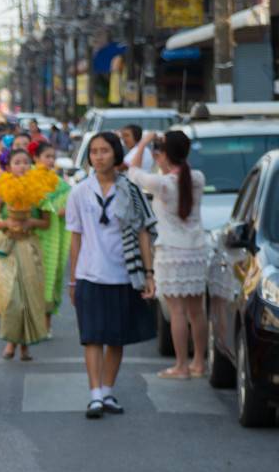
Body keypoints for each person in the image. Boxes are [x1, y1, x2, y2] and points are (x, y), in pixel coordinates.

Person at [66, 131, 158, 418]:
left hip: (123, 274)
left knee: (116, 338)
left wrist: (149, 273)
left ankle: (108, 391)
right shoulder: (80, 191)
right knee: (92, 336)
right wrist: (73, 278)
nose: (98, 156)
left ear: (116, 154)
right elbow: (76, 238)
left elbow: (144, 233)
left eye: (104, 151)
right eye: (94, 151)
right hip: (90, 275)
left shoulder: (130, 190)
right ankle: (94, 395)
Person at [127, 130, 209, 378]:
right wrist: (165, 152)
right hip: (196, 249)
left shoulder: (161, 183)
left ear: (163, 155)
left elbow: (132, 170)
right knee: (197, 311)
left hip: (171, 252)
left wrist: (143, 141)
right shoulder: (197, 177)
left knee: (177, 312)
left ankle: (181, 366)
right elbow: (180, 167)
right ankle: (199, 364)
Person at [0, 150, 53, 359]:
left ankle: (25, 346)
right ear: (8, 167)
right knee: (10, 297)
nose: (22, 166)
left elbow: (46, 222)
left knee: (29, 297)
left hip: (29, 246)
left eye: (26, 162)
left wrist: (30, 223)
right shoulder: (0, 190)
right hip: (7, 248)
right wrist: (7, 223)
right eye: (17, 162)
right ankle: (10, 342)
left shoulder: (39, 191)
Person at [33, 142, 72, 324]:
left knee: (52, 276)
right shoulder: (27, 181)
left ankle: (46, 321)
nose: (50, 160)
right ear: (36, 158)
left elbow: (68, 209)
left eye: (52, 157)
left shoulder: (61, 184)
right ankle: (31, 324)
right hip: (32, 235)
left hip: (54, 237)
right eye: (47, 156)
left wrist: (54, 211)